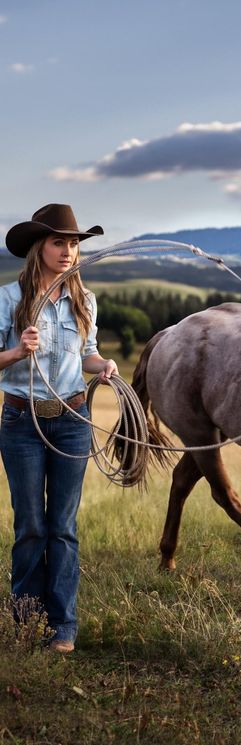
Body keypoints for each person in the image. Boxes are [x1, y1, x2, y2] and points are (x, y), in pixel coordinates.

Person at [0, 203, 118, 653]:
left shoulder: (84, 300)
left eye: (73, 243)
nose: (68, 251)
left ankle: (63, 628)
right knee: (30, 524)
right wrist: (15, 352)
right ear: (39, 247)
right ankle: (27, 622)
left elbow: (85, 352)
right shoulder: (8, 299)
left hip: (72, 419)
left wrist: (102, 364)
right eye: (58, 242)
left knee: (63, 526)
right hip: (21, 420)